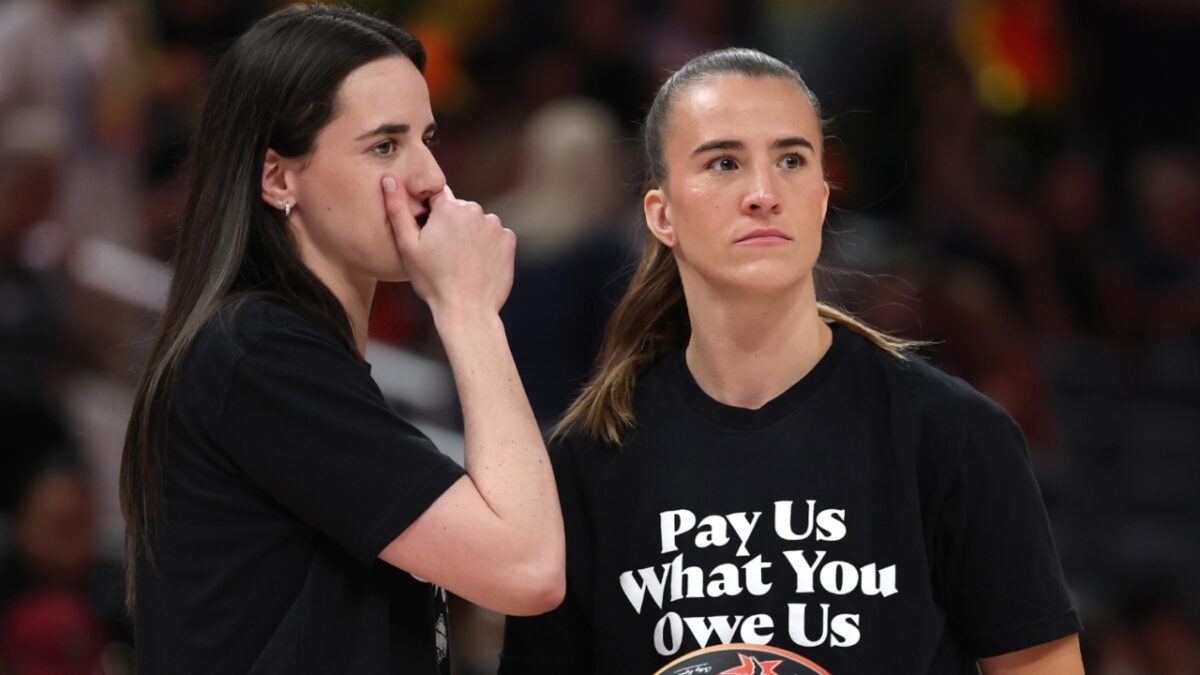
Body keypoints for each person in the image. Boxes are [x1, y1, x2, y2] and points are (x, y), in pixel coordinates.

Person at [500, 48, 1083, 674]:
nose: (762, 193)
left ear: (823, 198)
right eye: (724, 162)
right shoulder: (590, 458)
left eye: (791, 160)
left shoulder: (952, 433)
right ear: (661, 214)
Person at [119, 5, 564, 673]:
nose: (431, 179)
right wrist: (468, 309)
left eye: (428, 137)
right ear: (277, 177)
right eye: (385, 145)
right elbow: (527, 568)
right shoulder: (259, 351)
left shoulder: (282, 350)